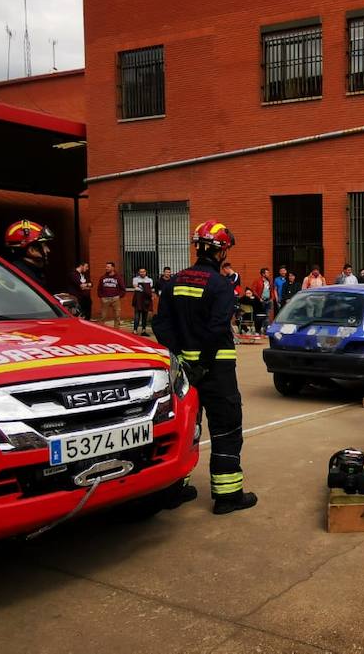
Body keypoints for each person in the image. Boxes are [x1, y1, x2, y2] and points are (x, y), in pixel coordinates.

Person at [152, 220, 257, 515]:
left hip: (184, 371)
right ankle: (227, 496)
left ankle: (176, 489)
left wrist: (181, 357)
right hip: (217, 371)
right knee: (226, 428)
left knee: (187, 427)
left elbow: (160, 323)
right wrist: (203, 363)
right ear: (221, 252)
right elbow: (217, 328)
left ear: (198, 247)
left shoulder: (174, 282)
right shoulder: (221, 285)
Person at [3, 220, 54, 292]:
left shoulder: (29, 272)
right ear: (32, 250)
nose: (48, 250)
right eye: (44, 245)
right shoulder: (22, 277)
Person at [98, 261, 127, 329]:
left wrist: (119, 296)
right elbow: (99, 288)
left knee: (117, 315)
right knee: (103, 316)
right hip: (105, 298)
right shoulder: (103, 277)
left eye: (108, 267)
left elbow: (123, 288)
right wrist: (101, 296)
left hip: (115, 298)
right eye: (106, 267)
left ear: (113, 268)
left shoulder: (118, 277)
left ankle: (116, 330)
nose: (106, 268)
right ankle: (102, 329)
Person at [131, 267, 156, 336]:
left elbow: (149, 288)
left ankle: (143, 331)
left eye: (143, 271)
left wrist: (141, 287)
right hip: (138, 298)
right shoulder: (135, 279)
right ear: (139, 272)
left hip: (146, 299)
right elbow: (135, 287)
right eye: (141, 272)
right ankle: (135, 330)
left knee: (145, 315)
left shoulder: (150, 280)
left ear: (146, 272)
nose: (142, 273)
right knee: (137, 315)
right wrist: (144, 288)